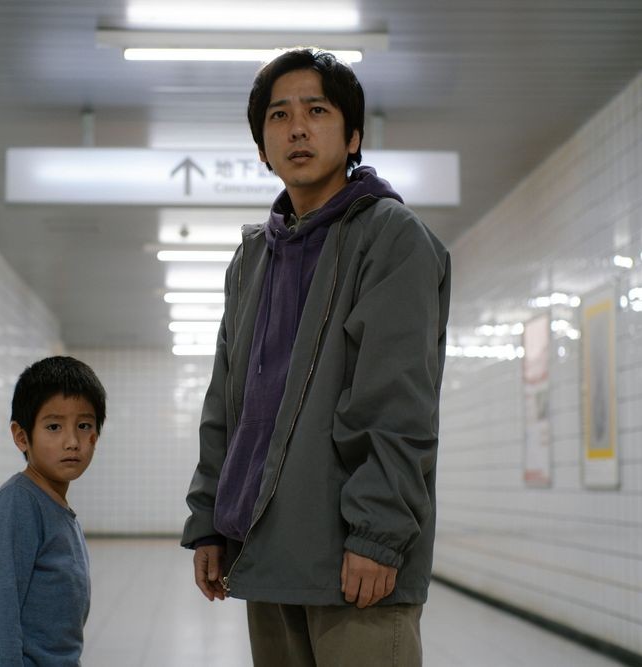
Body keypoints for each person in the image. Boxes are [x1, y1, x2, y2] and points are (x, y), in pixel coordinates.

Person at [182, 48, 451, 666]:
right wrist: (209, 520)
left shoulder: (390, 238)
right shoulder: (253, 259)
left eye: (317, 111)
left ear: (353, 136)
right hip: (265, 553)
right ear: (262, 147)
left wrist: (378, 535)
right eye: (279, 115)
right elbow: (227, 403)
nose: (297, 128)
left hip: (353, 562)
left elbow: (397, 402)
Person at [0, 355, 106, 666]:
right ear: (21, 436)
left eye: (84, 426)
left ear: (95, 437)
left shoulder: (55, 504)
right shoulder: (17, 505)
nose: (72, 441)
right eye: (54, 426)